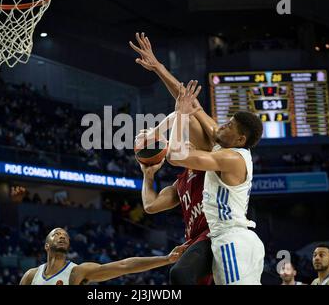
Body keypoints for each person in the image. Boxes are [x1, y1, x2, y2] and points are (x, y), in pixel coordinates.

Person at [131, 33, 216, 285]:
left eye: (186, 140)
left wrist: (156, 131)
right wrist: (147, 177)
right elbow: (151, 206)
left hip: (214, 237)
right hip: (194, 244)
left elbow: (187, 110)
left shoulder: (208, 160)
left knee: (178, 275)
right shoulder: (181, 183)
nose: (184, 142)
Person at [166, 82, 265, 285]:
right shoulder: (227, 145)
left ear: (240, 139)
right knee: (180, 275)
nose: (222, 125)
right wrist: (157, 67)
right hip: (222, 236)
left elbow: (175, 155)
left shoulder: (232, 158)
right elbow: (193, 105)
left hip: (232, 239)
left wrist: (180, 115)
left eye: (229, 125)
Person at [19, 227, 187, 285]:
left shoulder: (78, 272)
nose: (62, 236)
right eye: (56, 234)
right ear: (46, 245)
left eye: (65, 235)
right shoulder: (31, 276)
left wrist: (166, 259)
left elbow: (124, 266)